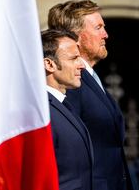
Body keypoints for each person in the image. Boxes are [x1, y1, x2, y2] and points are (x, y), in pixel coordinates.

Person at [48, 0, 134, 190]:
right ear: (77, 37)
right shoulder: (71, 82)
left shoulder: (91, 77)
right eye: (98, 28)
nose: (106, 34)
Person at [42, 29, 93, 190]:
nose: (81, 66)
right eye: (74, 58)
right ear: (49, 64)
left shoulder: (63, 103)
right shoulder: (42, 113)